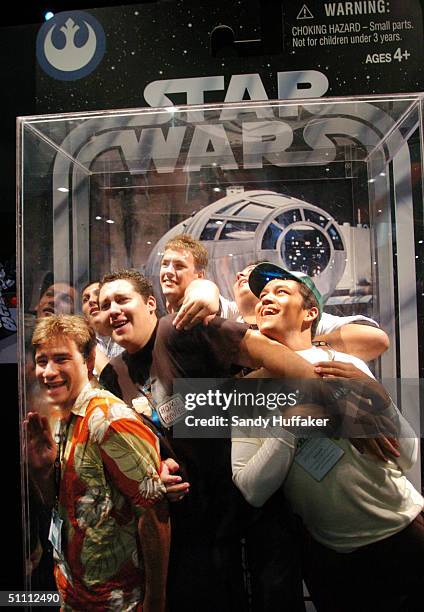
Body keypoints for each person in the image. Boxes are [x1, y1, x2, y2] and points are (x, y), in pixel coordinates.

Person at [231, 263, 424, 612]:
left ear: (311, 313)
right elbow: (250, 489)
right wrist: (289, 428)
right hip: (330, 559)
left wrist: (380, 400)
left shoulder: (345, 365)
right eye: (262, 296)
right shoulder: (248, 392)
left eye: (281, 291)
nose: (265, 299)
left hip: (404, 533)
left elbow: (406, 457)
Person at [25, 314, 168, 611]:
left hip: (117, 601)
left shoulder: (110, 419)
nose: (48, 372)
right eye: (42, 361)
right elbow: (66, 504)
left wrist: (156, 601)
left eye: (61, 359)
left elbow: (154, 513)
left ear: (89, 360)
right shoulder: (60, 416)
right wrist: (42, 472)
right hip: (74, 594)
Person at [81, 280, 123, 375]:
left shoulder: (128, 334)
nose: (91, 301)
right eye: (85, 299)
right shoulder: (80, 345)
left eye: (97, 293)